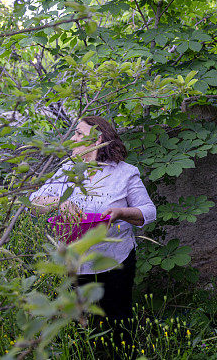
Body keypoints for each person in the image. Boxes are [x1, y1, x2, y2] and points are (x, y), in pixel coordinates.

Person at [30, 116, 156, 356]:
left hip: (115, 262)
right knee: (84, 328)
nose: (73, 139)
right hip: (76, 264)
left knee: (118, 323)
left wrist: (121, 212)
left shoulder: (125, 173)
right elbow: (34, 201)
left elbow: (148, 212)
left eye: (78, 134)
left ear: (97, 139)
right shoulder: (67, 170)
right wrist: (60, 202)